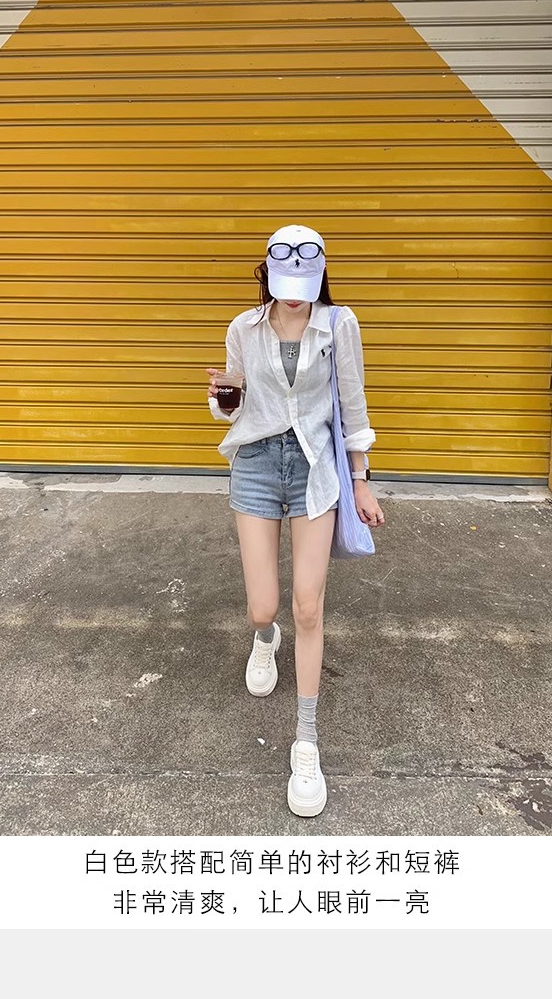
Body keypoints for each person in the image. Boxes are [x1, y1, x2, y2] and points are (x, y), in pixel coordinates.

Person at [205, 223, 385, 818]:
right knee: (264, 607)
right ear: (268, 275)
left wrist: (361, 477)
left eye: (303, 287)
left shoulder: (339, 325)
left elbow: (352, 401)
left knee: (308, 606)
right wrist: (222, 398)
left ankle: (306, 743)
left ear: (319, 277)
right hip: (256, 463)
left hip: (316, 467)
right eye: (284, 286)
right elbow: (228, 404)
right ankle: (265, 638)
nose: (293, 298)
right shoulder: (243, 327)